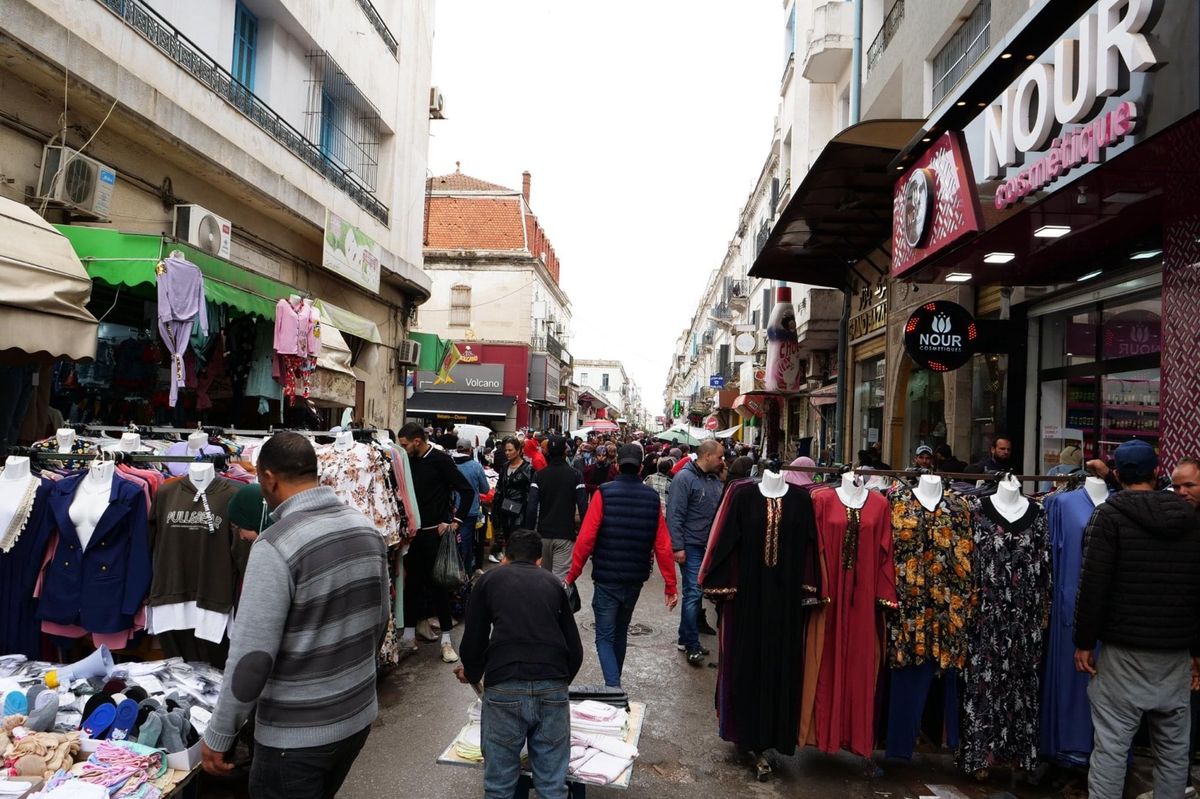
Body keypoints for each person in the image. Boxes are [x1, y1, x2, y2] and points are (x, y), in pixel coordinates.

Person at [200, 433, 389, 799]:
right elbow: (378, 622)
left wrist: (220, 733)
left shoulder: (275, 545)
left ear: (268, 477)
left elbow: (252, 659)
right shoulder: (366, 529)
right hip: (356, 718)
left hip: (295, 738)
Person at [1073, 440, 1200, 799]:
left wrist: (1084, 642)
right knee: (1174, 752)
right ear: (1158, 473)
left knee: (1112, 745)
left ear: (1116, 475)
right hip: (1174, 653)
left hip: (1123, 653)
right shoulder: (1189, 519)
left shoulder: (1109, 516)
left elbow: (1093, 584)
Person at [456, 529, 584, 799]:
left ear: (505, 556)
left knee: (499, 787)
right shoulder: (552, 583)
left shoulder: (489, 581)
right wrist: (557, 684)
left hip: (504, 686)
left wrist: (472, 672)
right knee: (552, 786)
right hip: (552, 685)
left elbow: (473, 641)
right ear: (539, 560)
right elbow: (575, 649)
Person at [566, 444, 678, 687]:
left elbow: (586, 539)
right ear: (640, 468)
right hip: (634, 578)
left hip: (606, 577)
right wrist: (670, 585)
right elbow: (663, 545)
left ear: (617, 465)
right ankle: (613, 684)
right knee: (620, 631)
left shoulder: (603, 493)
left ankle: (613, 688)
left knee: (604, 636)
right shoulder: (652, 499)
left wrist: (572, 574)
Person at [396, 422, 475, 663]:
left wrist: (455, 522)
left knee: (439, 586)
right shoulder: (404, 462)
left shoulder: (440, 460)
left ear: (417, 441)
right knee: (412, 586)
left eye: (405, 444)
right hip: (411, 536)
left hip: (435, 535)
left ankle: (447, 641)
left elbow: (467, 490)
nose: (403, 448)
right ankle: (409, 636)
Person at [666, 439, 724, 664]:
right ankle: (692, 644)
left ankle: (684, 637)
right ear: (707, 456)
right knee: (693, 593)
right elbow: (675, 514)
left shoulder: (714, 479)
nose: (722, 461)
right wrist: (678, 547)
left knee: (695, 593)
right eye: (719, 457)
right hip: (690, 546)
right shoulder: (684, 478)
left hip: (706, 546)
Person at [525, 436, 589, 582]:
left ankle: (544, 603)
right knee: (560, 581)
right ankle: (557, 604)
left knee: (544, 577)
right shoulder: (575, 475)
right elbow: (583, 505)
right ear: (565, 452)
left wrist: (529, 532)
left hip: (543, 534)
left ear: (547, 452)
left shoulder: (539, 475)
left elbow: (532, 506)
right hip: (565, 534)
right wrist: (583, 533)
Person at [453, 438, 491, 575]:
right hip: (469, 511)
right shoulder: (476, 466)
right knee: (466, 542)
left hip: (451, 510)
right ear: (470, 451)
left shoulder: (450, 464)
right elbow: (485, 489)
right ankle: (465, 573)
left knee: (452, 541)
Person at [493, 437, 534, 562]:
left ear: (518, 450)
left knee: (518, 542)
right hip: (504, 511)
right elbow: (500, 487)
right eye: (506, 450)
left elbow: (532, 493)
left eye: (510, 450)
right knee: (508, 541)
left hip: (520, 512)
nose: (507, 453)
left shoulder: (528, 468)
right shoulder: (504, 467)